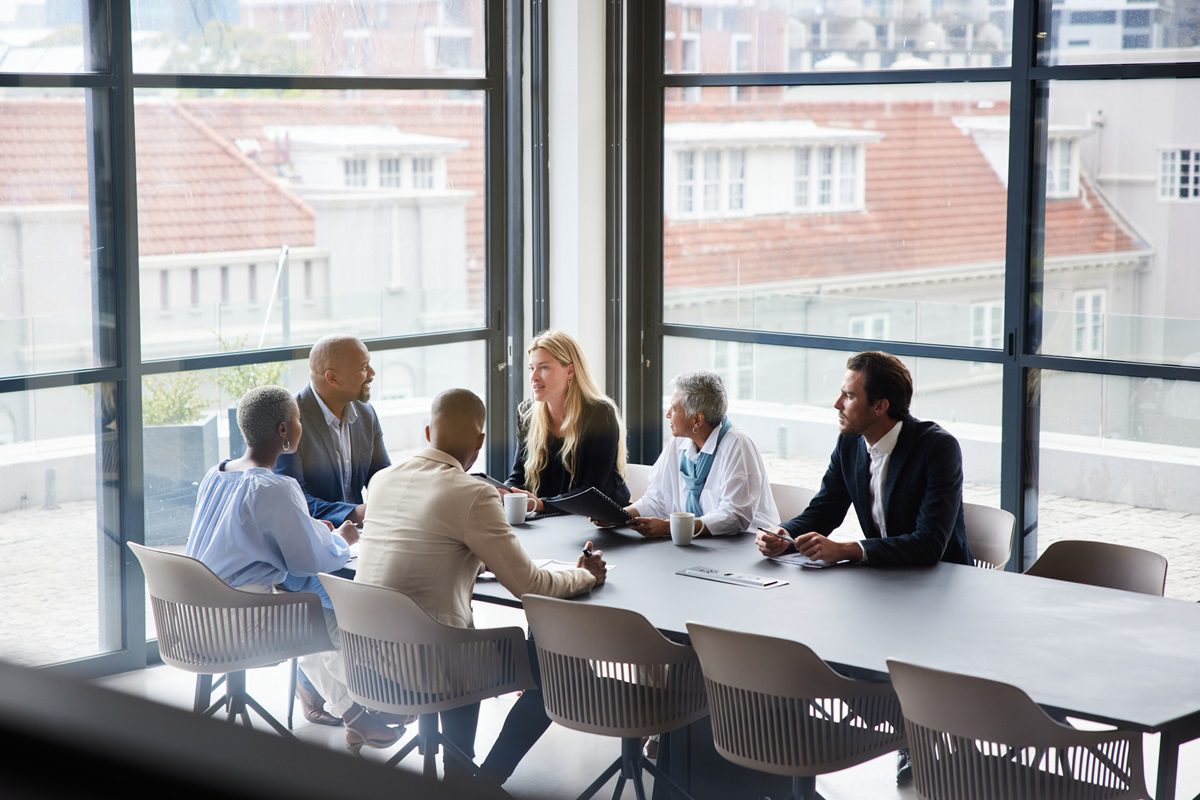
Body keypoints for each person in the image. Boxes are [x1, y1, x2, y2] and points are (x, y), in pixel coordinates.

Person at [356, 388, 607, 787]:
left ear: (426, 432)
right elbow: (531, 585)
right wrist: (586, 576)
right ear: (480, 443)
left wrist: (470, 562)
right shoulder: (473, 493)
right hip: (432, 663)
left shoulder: (382, 480)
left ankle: (459, 768)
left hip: (366, 659)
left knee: (458, 643)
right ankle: (483, 782)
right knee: (553, 676)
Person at [754, 351, 972, 787]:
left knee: (857, 644)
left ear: (880, 406)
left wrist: (849, 550)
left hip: (940, 591)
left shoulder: (936, 448)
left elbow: (931, 544)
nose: (837, 404)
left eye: (848, 396)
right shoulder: (850, 443)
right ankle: (875, 731)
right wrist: (783, 534)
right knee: (802, 634)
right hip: (882, 582)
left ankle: (913, 732)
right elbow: (825, 509)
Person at [185, 385, 401, 750]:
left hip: (193, 617)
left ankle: (355, 716)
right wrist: (342, 539)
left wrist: (315, 530)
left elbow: (251, 533)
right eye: (298, 420)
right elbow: (311, 560)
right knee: (329, 622)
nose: (301, 426)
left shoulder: (217, 474)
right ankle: (385, 705)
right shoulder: (274, 487)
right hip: (237, 625)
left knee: (303, 610)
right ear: (284, 431)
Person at [615, 371, 779, 538]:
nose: (668, 414)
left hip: (746, 544)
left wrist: (670, 527)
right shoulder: (678, 441)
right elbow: (658, 499)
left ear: (697, 420)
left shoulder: (737, 445)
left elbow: (734, 517)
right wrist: (618, 516)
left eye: (674, 408)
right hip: (697, 543)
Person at [505, 330, 630, 510]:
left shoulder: (600, 414)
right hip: (549, 517)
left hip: (598, 518)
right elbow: (519, 477)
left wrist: (541, 505)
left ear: (570, 371)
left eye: (544, 367)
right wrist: (506, 493)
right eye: (532, 368)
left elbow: (592, 490)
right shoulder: (527, 413)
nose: (534, 377)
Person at [275, 334, 390, 527]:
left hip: (358, 535)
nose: (372, 373)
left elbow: (381, 477)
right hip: (314, 537)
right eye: (363, 367)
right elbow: (292, 499)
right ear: (332, 378)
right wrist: (354, 513)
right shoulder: (289, 421)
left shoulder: (366, 414)